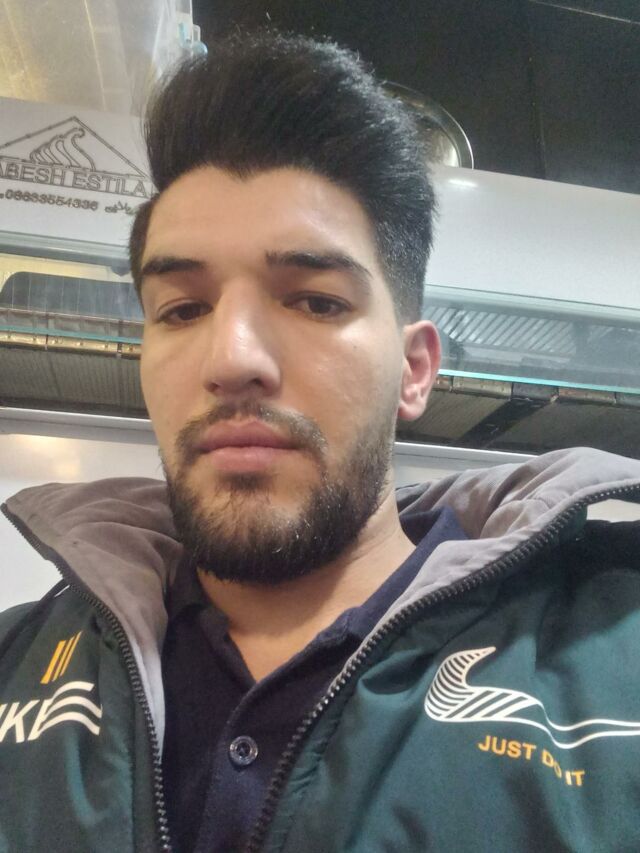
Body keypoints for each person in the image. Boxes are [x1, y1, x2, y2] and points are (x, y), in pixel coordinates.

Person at [1, 28, 640, 853]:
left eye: (315, 301)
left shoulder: (613, 664)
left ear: (414, 370)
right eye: (182, 309)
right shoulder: (17, 663)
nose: (232, 359)